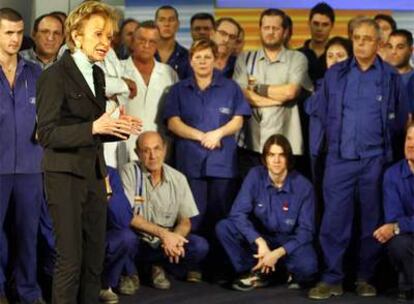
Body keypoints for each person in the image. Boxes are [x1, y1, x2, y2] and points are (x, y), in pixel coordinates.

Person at [35, 2, 142, 303]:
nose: (106, 42)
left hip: (94, 176)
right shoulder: (54, 76)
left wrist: (114, 129)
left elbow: (91, 131)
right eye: (98, 34)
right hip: (65, 177)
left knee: (94, 260)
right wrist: (95, 127)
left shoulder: (97, 75)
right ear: (76, 36)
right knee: (70, 260)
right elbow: (47, 134)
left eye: (109, 36)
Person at [307, 17, 409, 300]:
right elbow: (323, 115)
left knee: (371, 222)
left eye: (367, 38)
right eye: (357, 38)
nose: (361, 43)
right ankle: (331, 279)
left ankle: (365, 277)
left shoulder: (390, 77)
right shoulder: (336, 74)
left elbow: (400, 122)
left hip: (376, 161)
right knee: (333, 222)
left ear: (379, 43)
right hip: (339, 160)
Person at [164, 39, 251, 272]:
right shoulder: (179, 90)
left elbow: (239, 119)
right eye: (198, 57)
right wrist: (201, 136)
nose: (202, 61)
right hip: (190, 164)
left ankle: (222, 267)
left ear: (215, 60)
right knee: (193, 219)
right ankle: (194, 267)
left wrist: (218, 134)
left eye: (207, 57)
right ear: (190, 61)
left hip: (222, 164)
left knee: (221, 217)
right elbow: (173, 123)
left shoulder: (230, 87)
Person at [216, 134, 317, 291]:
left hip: (288, 242)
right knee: (225, 227)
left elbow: (306, 231)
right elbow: (237, 213)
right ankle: (254, 271)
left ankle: (276, 271)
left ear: (288, 158)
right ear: (265, 158)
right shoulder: (255, 176)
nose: (276, 161)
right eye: (271, 155)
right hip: (261, 238)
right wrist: (260, 243)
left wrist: (277, 254)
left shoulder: (303, 186)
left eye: (281, 155)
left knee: (307, 268)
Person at [120, 131, 209, 288]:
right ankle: (144, 269)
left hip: (163, 244)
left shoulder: (178, 178)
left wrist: (174, 239)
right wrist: (164, 234)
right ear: (137, 153)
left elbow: (185, 221)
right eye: (146, 150)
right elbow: (129, 216)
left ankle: (156, 267)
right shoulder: (128, 172)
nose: (152, 156)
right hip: (140, 241)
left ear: (165, 150)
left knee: (199, 246)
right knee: (126, 239)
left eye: (157, 149)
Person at [0, 7, 45, 304]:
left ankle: (27, 292)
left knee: (28, 236)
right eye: (8, 33)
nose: (15, 39)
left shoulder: (36, 72)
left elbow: (49, 114)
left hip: (31, 167)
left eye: (19, 33)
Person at [234, 8, 312, 177]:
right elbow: (241, 95)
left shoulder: (297, 58)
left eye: (275, 28)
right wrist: (276, 100)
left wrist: (257, 88)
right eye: (266, 27)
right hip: (251, 145)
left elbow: (290, 92)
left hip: (286, 146)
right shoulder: (245, 59)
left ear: (284, 32)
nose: (270, 32)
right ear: (260, 29)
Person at [122, 20, 178, 161]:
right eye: (142, 40)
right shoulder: (117, 69)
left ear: (158, 44)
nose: (146, 46)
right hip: (125, 146)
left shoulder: (168, 73)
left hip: (159, 149)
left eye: (152, 42)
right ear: (133, 41)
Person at [373, 119, 414, 302]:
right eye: (408, 139)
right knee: (398, 243)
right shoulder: (393, 174)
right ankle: (409, 286)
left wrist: (398, 226)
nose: (411, 145)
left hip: (405, 228)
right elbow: (393, 218)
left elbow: (396, 225)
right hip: (408, 237)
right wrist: (398, 227)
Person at [99, 166, 139, 304]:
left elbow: (122, 221)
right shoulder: (65, 173)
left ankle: (105, 284)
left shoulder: (110, 173)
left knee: (127, 238)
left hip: (100, 239)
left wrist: (108, 194)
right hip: (73, 239)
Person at [298, 2, 335, 84]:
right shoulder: (296, 55)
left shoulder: (339, 58)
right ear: (309, 23)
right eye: (316, 24)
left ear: (332, 26)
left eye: (325, 25)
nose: (319, 29)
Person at [154, 5, 190, 80]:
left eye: (171, 20)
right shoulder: (146, 54)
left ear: (178, 25)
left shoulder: (188, 57)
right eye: (162, 20)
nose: (166, 24)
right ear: (155, 24)